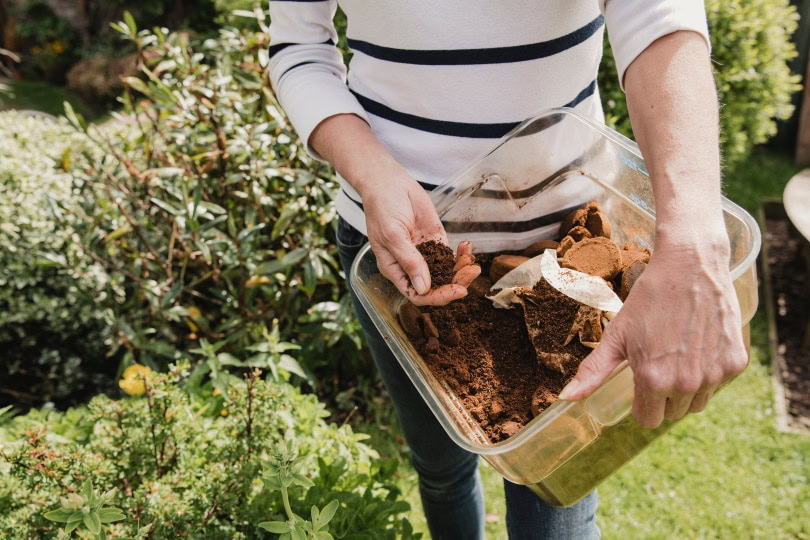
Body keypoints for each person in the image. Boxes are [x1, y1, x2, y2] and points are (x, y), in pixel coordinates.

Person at [267, 1, 748, 538]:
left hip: (569, 252)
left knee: (556, 503)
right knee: (443, 469)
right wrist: (372, 173)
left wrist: (692, 247)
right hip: (401, 255)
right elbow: (298, 45)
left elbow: (658, 14)